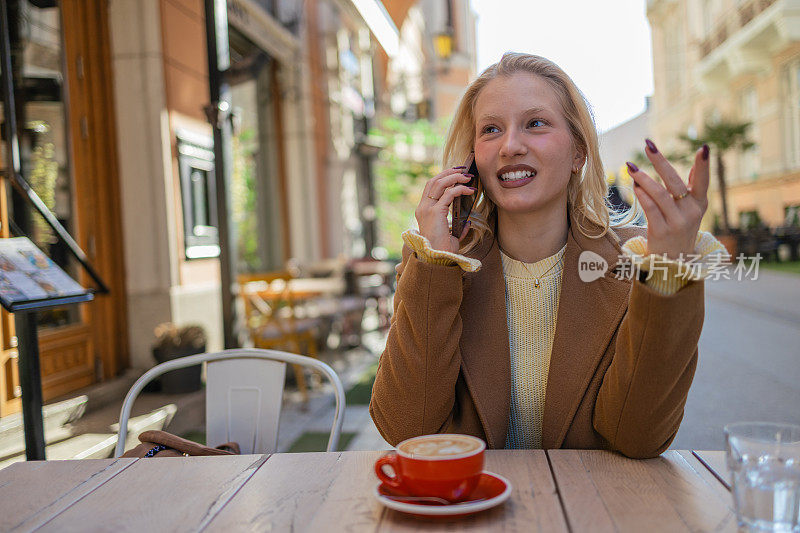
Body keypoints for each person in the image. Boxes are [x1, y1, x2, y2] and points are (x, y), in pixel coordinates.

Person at [369, 53, 726, 459]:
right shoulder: (439, 264)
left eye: (535, 124)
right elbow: (407, 430)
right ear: (471, 162)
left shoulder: (639, 261)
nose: (511, 146)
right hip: (469, 513)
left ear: (578, 153)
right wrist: (436, 264)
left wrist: (667, 271)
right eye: (490, 130)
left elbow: (637, 437)